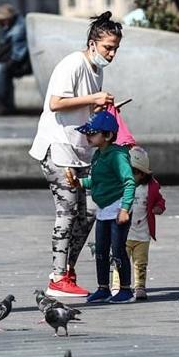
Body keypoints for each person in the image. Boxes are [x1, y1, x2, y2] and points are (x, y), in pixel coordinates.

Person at [29, 12, 123, 298]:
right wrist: (94, 99)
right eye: (108, 47)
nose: (112, 54)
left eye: (116, 48)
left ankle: (67, 269)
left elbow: (81, 108)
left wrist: (100, 112)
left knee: (92, 210)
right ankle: (57, 277)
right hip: (58, 148)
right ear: (92, 43)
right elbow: (56, 102)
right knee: (67, 210)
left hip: (80, 150)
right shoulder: (73, 64)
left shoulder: (97, 70)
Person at [66, 111, 136, 304]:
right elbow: (97, 181)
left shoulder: (117, 156)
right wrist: (79, 183)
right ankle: (103, 288)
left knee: (118, 249)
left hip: (117, 206)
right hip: (104, 209)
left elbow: (129, 182)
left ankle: (125, 290)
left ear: (108, 135)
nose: (88, 136)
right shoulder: (98, 155)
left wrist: (125, 209)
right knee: (101, 250)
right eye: (87, 133)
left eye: (92, 133)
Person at [110, 146, 166, 300]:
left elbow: (160, 200)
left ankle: (140, 286)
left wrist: (158, 207)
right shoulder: (119, 186)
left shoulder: (151, 187)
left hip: (143, 234)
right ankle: (117, 286)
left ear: (142, 174)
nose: (129, 175)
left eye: (134, 173)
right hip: (123, 233)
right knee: (119, 261)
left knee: (140, 263)